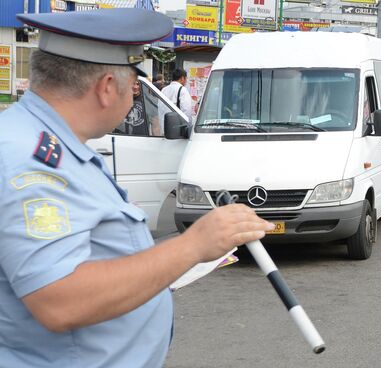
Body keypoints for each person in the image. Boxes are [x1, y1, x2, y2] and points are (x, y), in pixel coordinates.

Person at [0, 9, 274, 367]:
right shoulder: (30, 160)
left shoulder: (51, 142)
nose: (133, 98)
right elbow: (59, 299)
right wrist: (193, 245)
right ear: (106, 87)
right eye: (133, 86)